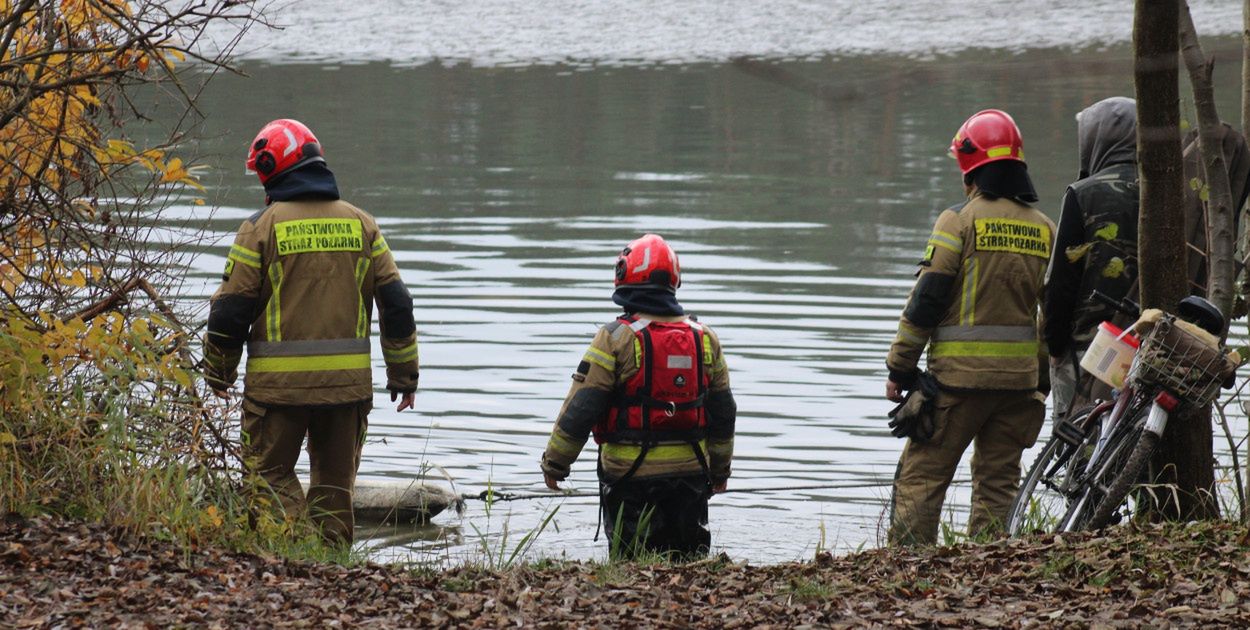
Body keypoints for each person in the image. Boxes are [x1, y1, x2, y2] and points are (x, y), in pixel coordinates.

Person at [200, 119, 419, 545]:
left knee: (268, 478)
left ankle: (294, 556)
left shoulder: (261, 228)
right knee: (336, 490)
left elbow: (229, 312)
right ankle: (334, 568)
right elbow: (398, 304)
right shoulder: (363, 224)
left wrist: (218, 373)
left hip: (276, 392)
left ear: (271, 169)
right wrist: (404, 376)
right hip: (347, 389)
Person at [885, 110, 1055, 546]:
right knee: (998, 486)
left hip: (957, 385)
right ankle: (990, 570)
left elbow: (927, 300)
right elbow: (1052, 318)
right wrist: (1040, 381)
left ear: (969, 166)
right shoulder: (1045, 229)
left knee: (921, 481)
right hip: (1019, 388)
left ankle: (905, 570)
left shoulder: (957, 222)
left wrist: (900, 368)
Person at [540, 234, 737, 559]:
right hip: (690, 474)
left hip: (629, 476)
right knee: (689, 563)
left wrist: (555, 463)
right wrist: (719, 471)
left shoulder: (615, 338)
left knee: (631, 564)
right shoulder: (706, 339)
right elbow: (724, 411)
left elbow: (584, 405)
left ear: (624, 278)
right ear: (674, 281)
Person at [1042, 97, 1140, 423]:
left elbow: (1061, 282)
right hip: (1157, 347)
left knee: (1080, 454)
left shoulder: (1083, 194)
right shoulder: (1173, 188)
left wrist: (1055, 347)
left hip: (1090, 350)